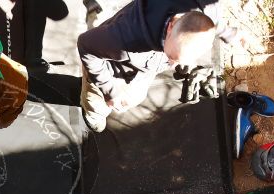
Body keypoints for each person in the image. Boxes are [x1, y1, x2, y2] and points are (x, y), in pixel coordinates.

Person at [77, 1, 219, 132]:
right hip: (109, 68)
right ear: (171, 26)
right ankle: (94, 113)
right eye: (172, 57)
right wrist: (111, 92)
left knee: (135, 96)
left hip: (142, 68)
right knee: (97, 101)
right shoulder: (127, 40)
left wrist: (231, 34)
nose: (174, 64)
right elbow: (85, 45)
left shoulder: (205, 8)